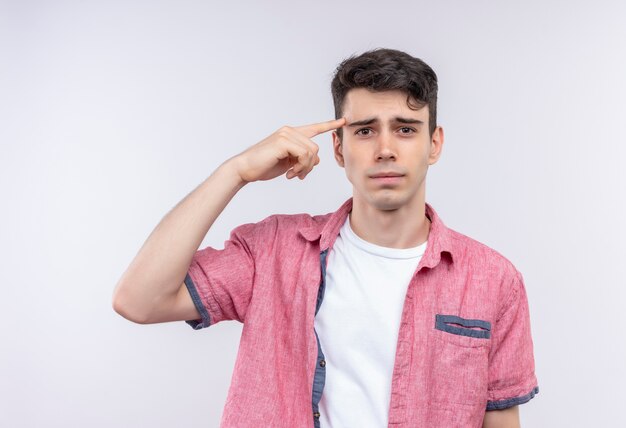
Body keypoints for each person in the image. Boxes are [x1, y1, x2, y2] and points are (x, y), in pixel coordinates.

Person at [112, 48, 539, 428]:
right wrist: (236, 171)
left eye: (406, 129)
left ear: (434, 144)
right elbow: (139, 300)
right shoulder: (274, 251)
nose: (386, 149)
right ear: (338, 148)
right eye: (365, 130)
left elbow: (500, 420)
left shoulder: (493, 279)